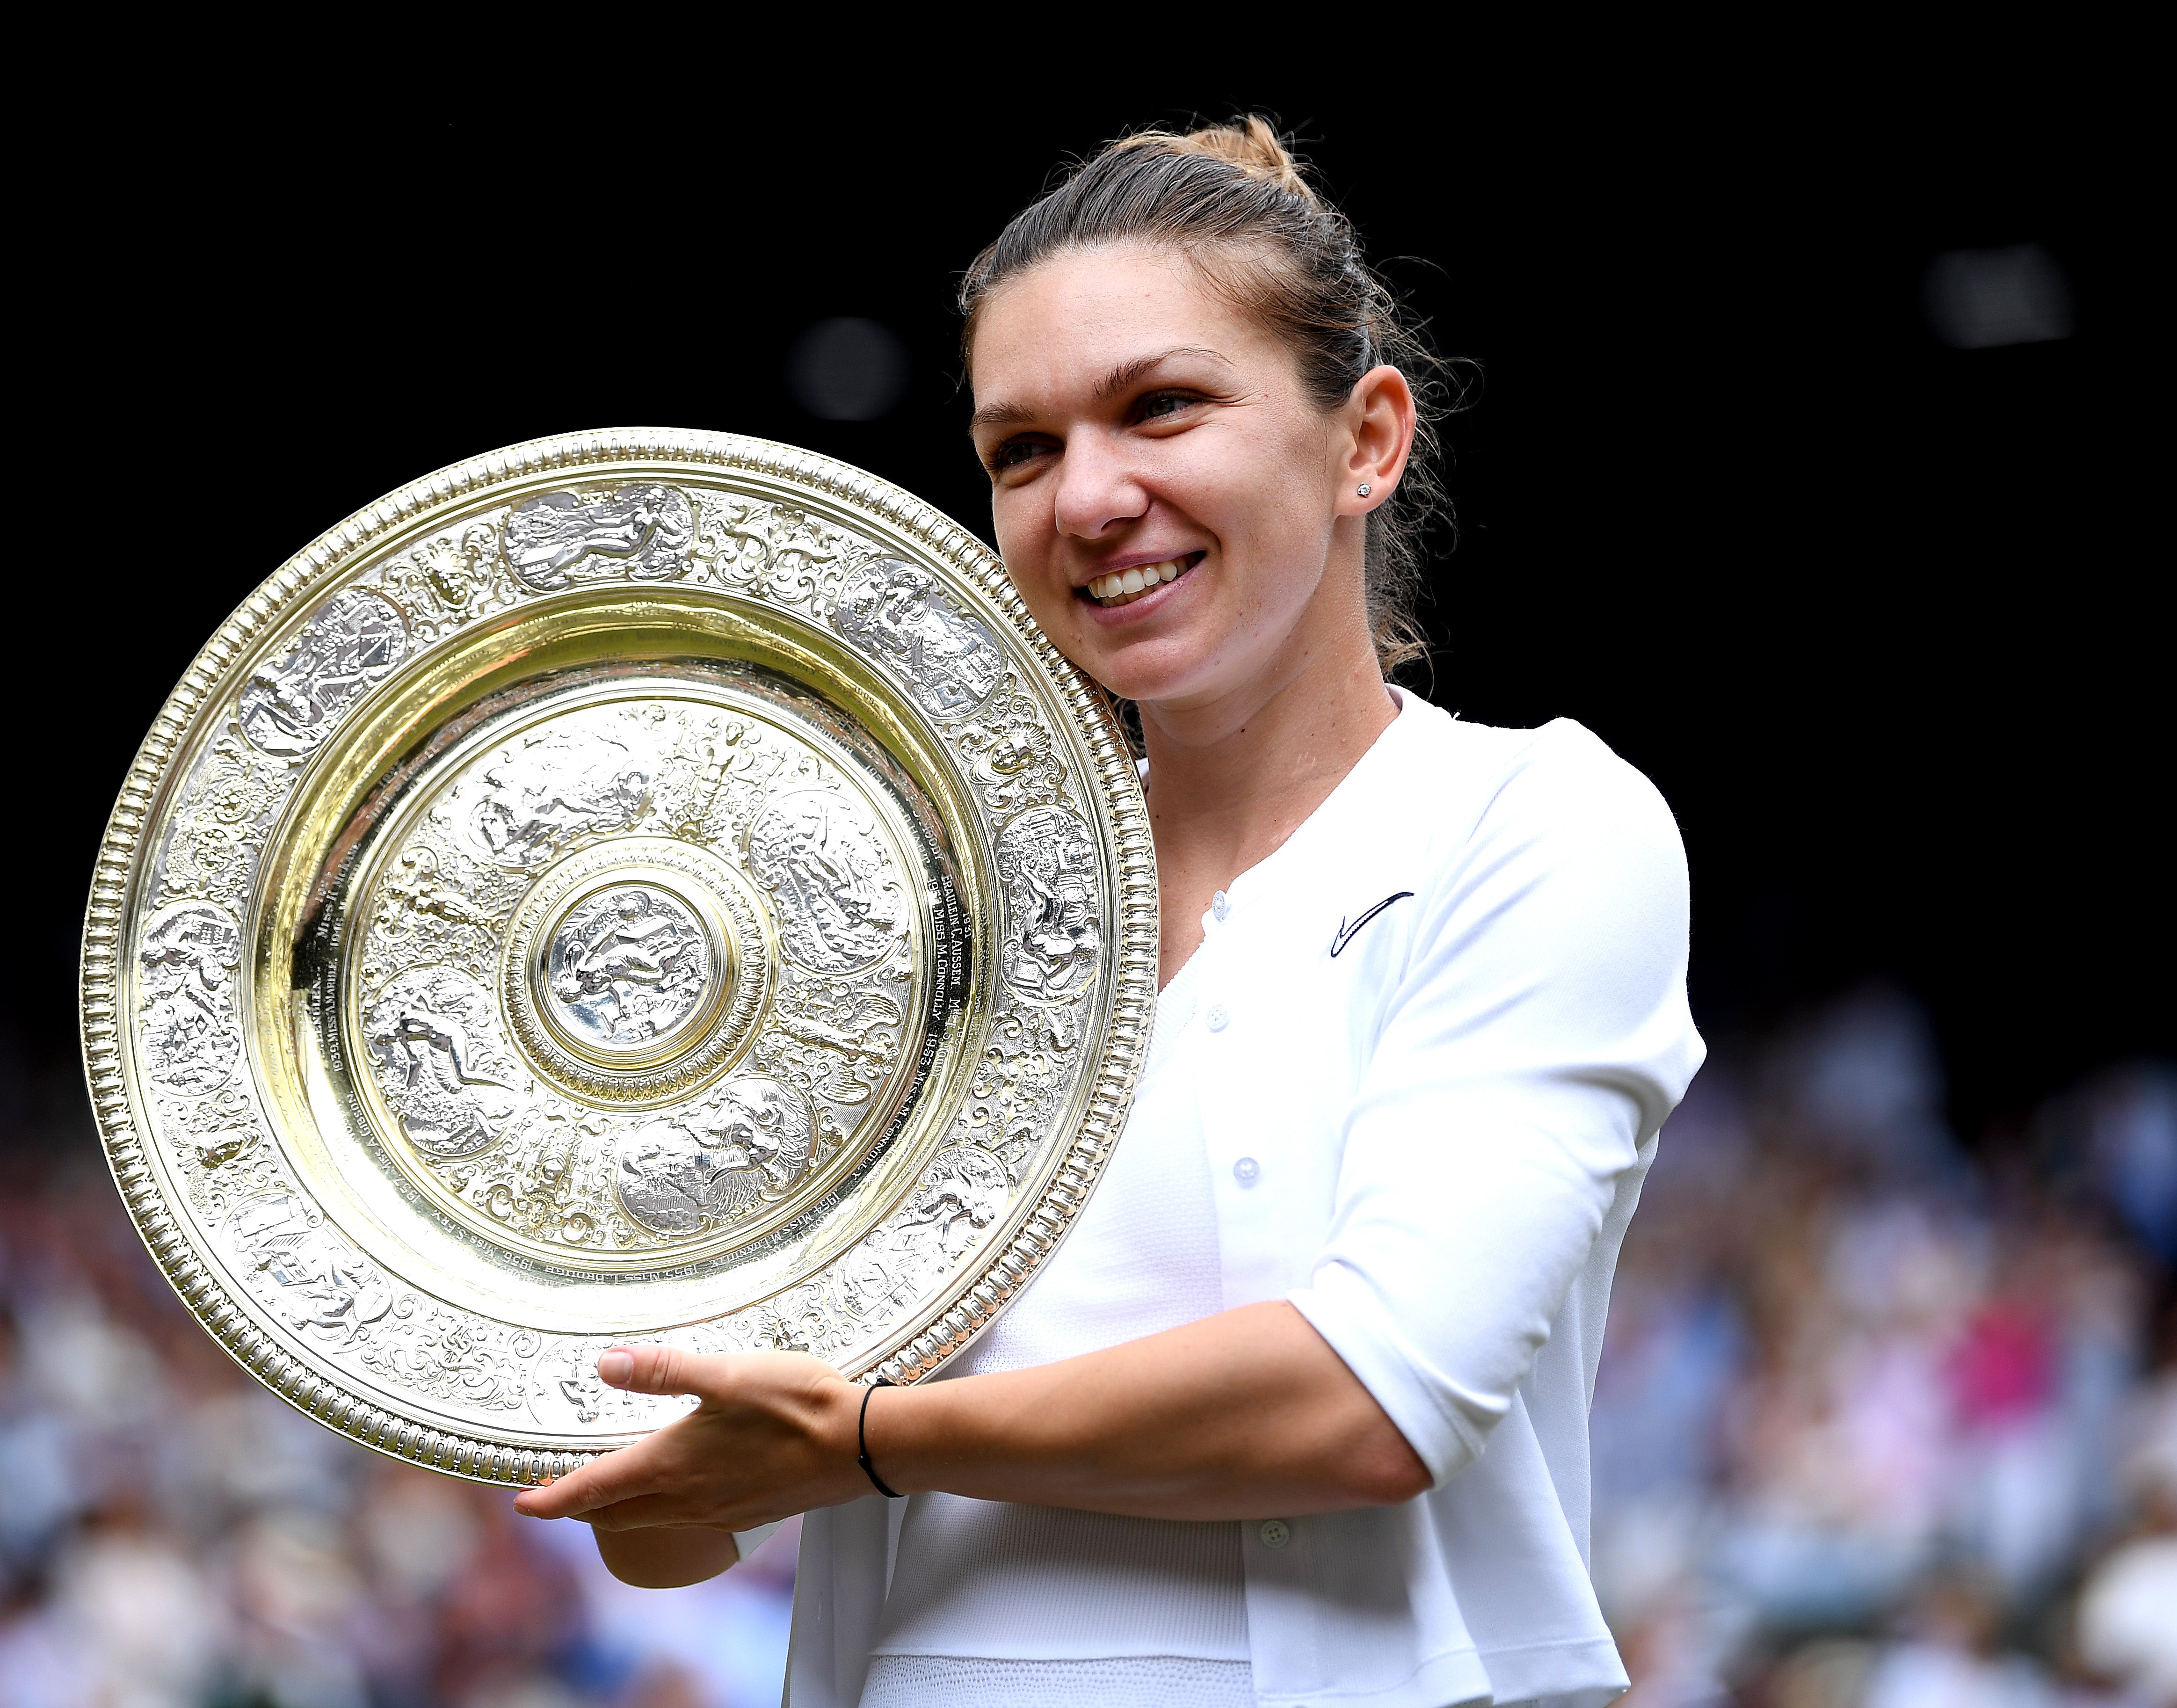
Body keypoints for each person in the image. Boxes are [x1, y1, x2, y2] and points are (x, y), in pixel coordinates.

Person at [515, 117, 1705, 1708]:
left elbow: (1364, 1402)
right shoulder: (903, 924)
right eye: (1020, 449)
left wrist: (862, 1444)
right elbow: (675, 1521)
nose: (1087, 498)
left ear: (1364, 439)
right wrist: (583, 1367)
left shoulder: (1536, 824)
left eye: (1161, 408)